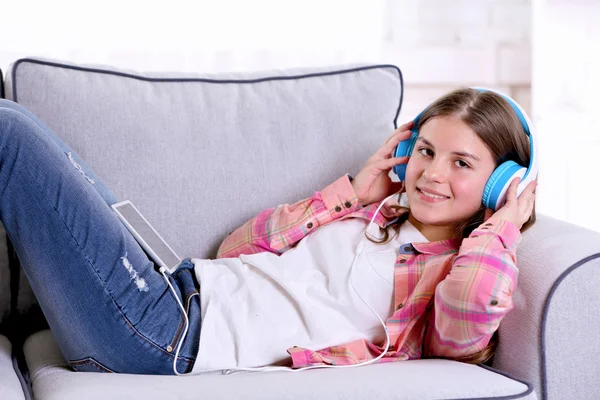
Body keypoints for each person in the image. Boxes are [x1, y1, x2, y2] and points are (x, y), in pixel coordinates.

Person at [0, 87, 536, 376]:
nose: (433, 173)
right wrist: (350, 192)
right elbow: (235, 250)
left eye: (462, 163)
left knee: (11, 133)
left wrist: (502, 223)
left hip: (167, 338)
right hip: (176, 290)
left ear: (502, 183)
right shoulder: (371, 216)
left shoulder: (450, 269)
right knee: (16, 125)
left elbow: (473, 303)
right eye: (425, 150)